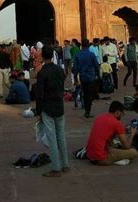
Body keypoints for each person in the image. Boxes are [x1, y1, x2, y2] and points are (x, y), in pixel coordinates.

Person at [35, 45, 69, 177]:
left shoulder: (42, 72)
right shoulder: (60, 70)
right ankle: (65, 164)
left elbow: (40, 94)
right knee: (61, 136)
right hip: (59, 105)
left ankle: (56, 168)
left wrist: (39, 112)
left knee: (52, 138)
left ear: (42, 56)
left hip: (47, 107)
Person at [85, 100, 138, 165]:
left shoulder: (99, 118)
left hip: (90, 155)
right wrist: (132, 133)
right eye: (122, 114)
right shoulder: (117, 123)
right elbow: (126, 146)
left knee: (113, 145)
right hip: (101, 158)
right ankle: (115, 160)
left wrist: (122, 130)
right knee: (133, 152)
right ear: (118, 112)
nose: (121, 116)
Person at [72, 39, 100, 118]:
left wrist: (75, 79)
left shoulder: (78, 55)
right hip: (91, 77)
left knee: (85, 93)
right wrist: (99, 75)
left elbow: (75, 69)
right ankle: (88, 111)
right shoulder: (91, 54)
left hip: (83, 77)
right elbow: (96, 66)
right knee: (90, 95)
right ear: (88, 45)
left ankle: (86, 110)